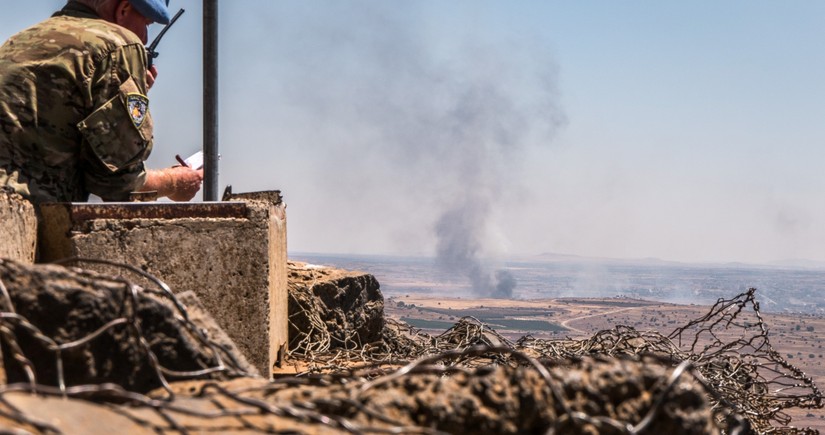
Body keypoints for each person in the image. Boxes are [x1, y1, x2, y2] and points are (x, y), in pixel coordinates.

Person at [0, 0, 203, 204]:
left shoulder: (19, 40)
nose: (145, 38)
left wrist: (121, 94)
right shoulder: (119, 44)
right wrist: (175, 182)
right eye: (147, 24)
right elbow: (118, 183)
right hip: (23, 216)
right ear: (123, 9)